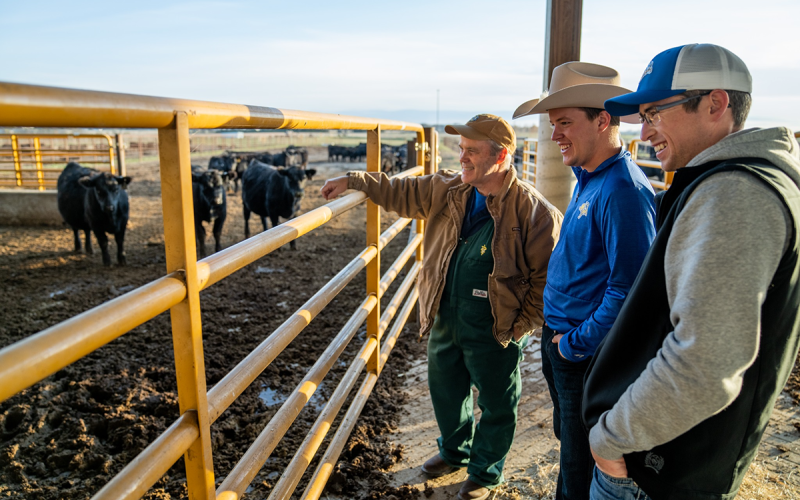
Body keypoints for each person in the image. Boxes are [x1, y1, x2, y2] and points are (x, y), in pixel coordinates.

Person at [583, 43, 800, 500]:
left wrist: (611, 438)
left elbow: (705, 362)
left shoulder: (733, 193)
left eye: (655, 114)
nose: (643, 132)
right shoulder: (748, 180)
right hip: (666, 457)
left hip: (656, 467)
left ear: (715, 103)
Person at [320, 114, 562, 500]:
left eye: (472, 151)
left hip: (496, 325)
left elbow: (547, 278)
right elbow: (398, 190)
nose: (462, 157)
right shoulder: (448, 189)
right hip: (446, 315)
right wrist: (354, 180)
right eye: (461, 149)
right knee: (445, 388)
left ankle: (485, 473)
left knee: (498, 400)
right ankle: (454, 451)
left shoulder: (534, 213)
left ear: (501, 156)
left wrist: (521, 326)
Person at [513, 62, 657, 499]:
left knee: (579, 463)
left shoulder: (623, 191)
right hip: (564, 339)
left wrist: (573, 344)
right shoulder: (591, 178)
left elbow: (628, 291)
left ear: (603, 119)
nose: (555, 134)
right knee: (570, 446)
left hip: (584, 351)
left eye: (564, 123)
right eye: (553, 124)